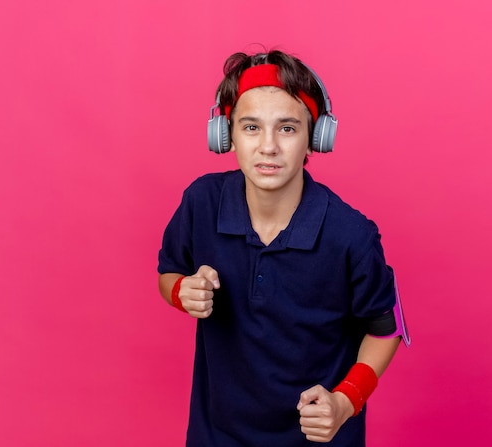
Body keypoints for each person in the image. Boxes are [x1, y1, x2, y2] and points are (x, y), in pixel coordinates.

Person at [157, 49, 410, 447]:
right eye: (252, 127)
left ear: (316, 137)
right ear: (226, 135)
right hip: (217, 434)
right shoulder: (201, 203)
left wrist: (346, 402)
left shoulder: (351, 234)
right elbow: (169, 272)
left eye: (288, 128)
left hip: (320, 438)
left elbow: (386, 329)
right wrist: (180, 291)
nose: (268, 146)